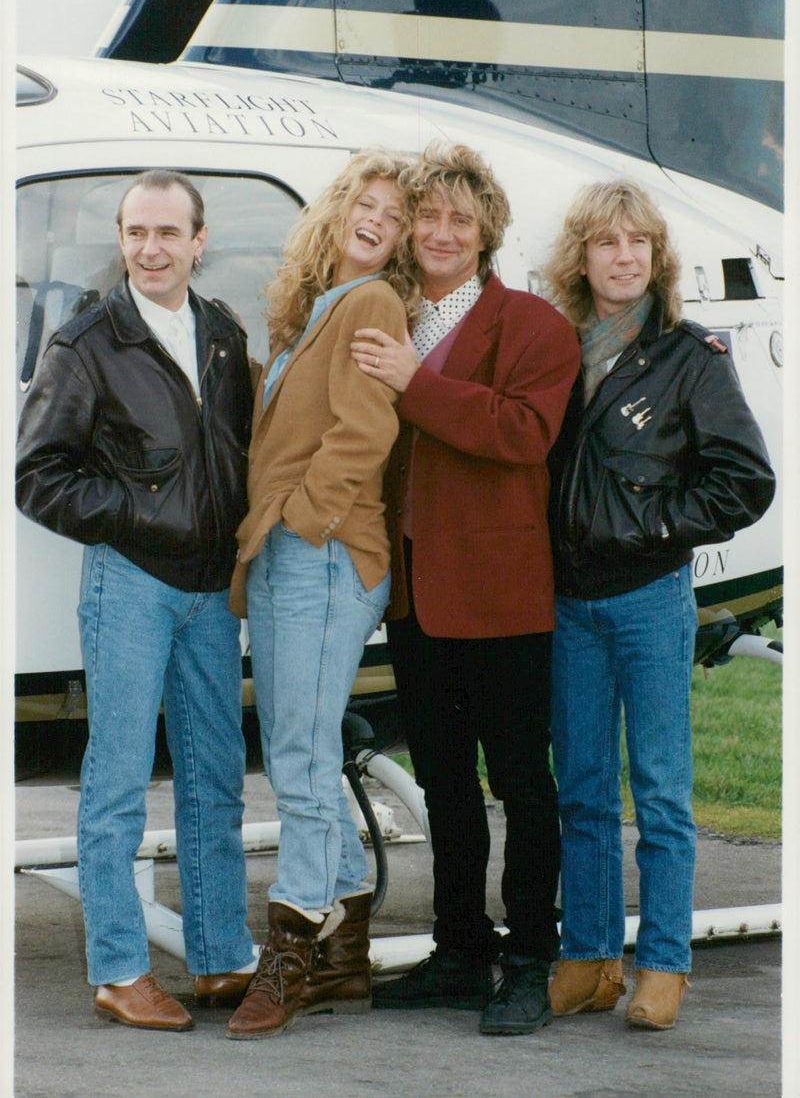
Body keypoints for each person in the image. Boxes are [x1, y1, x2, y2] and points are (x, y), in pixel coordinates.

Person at [16, 169, 258, 1031]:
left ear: (199, 241)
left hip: (209, 592)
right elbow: (37, 477)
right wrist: (135, 515)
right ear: (120, 239)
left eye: (168, 233)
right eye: (135, 232)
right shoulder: (86, 343)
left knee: (214, 779)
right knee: (116, 781)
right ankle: (119, 967)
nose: (150, 249)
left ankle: (223, 958)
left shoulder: (224, 334)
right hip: (133, 583)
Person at [349, 142, 580, 1036]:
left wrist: (417, 384)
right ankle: (459, 949)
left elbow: (524, 434)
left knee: (522, 781)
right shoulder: (391, 314)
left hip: (502, 594)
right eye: (428, 217)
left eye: (460, 219)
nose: (441, 233)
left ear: (486, 234)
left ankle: (530, 958)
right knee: (444, 782)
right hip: (415, 596)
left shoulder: (533, 326)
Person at [542, 177, 775, 1030]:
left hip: (649, 598)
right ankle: (591, 954)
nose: (625, 256)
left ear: (658, 256)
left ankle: (663, 962)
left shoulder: (690, 354)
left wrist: (658, 523)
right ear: (583, 257)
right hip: (569, 605)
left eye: (639, 241)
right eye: (608, 241)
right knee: (586, 790)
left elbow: (747, 480)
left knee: (664, 793)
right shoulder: (555, 351)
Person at [224, 149, 419, 1040]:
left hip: (325, 554)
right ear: (338, 208)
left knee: (299, 758)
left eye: (396, 213)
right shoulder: (313, 310)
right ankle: (346, 955)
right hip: (289, 554)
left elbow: (366, 428)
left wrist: (303, 523)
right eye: (366, 201)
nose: (377, 218)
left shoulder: (372, 302)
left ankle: (293, 945)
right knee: (302, 750)